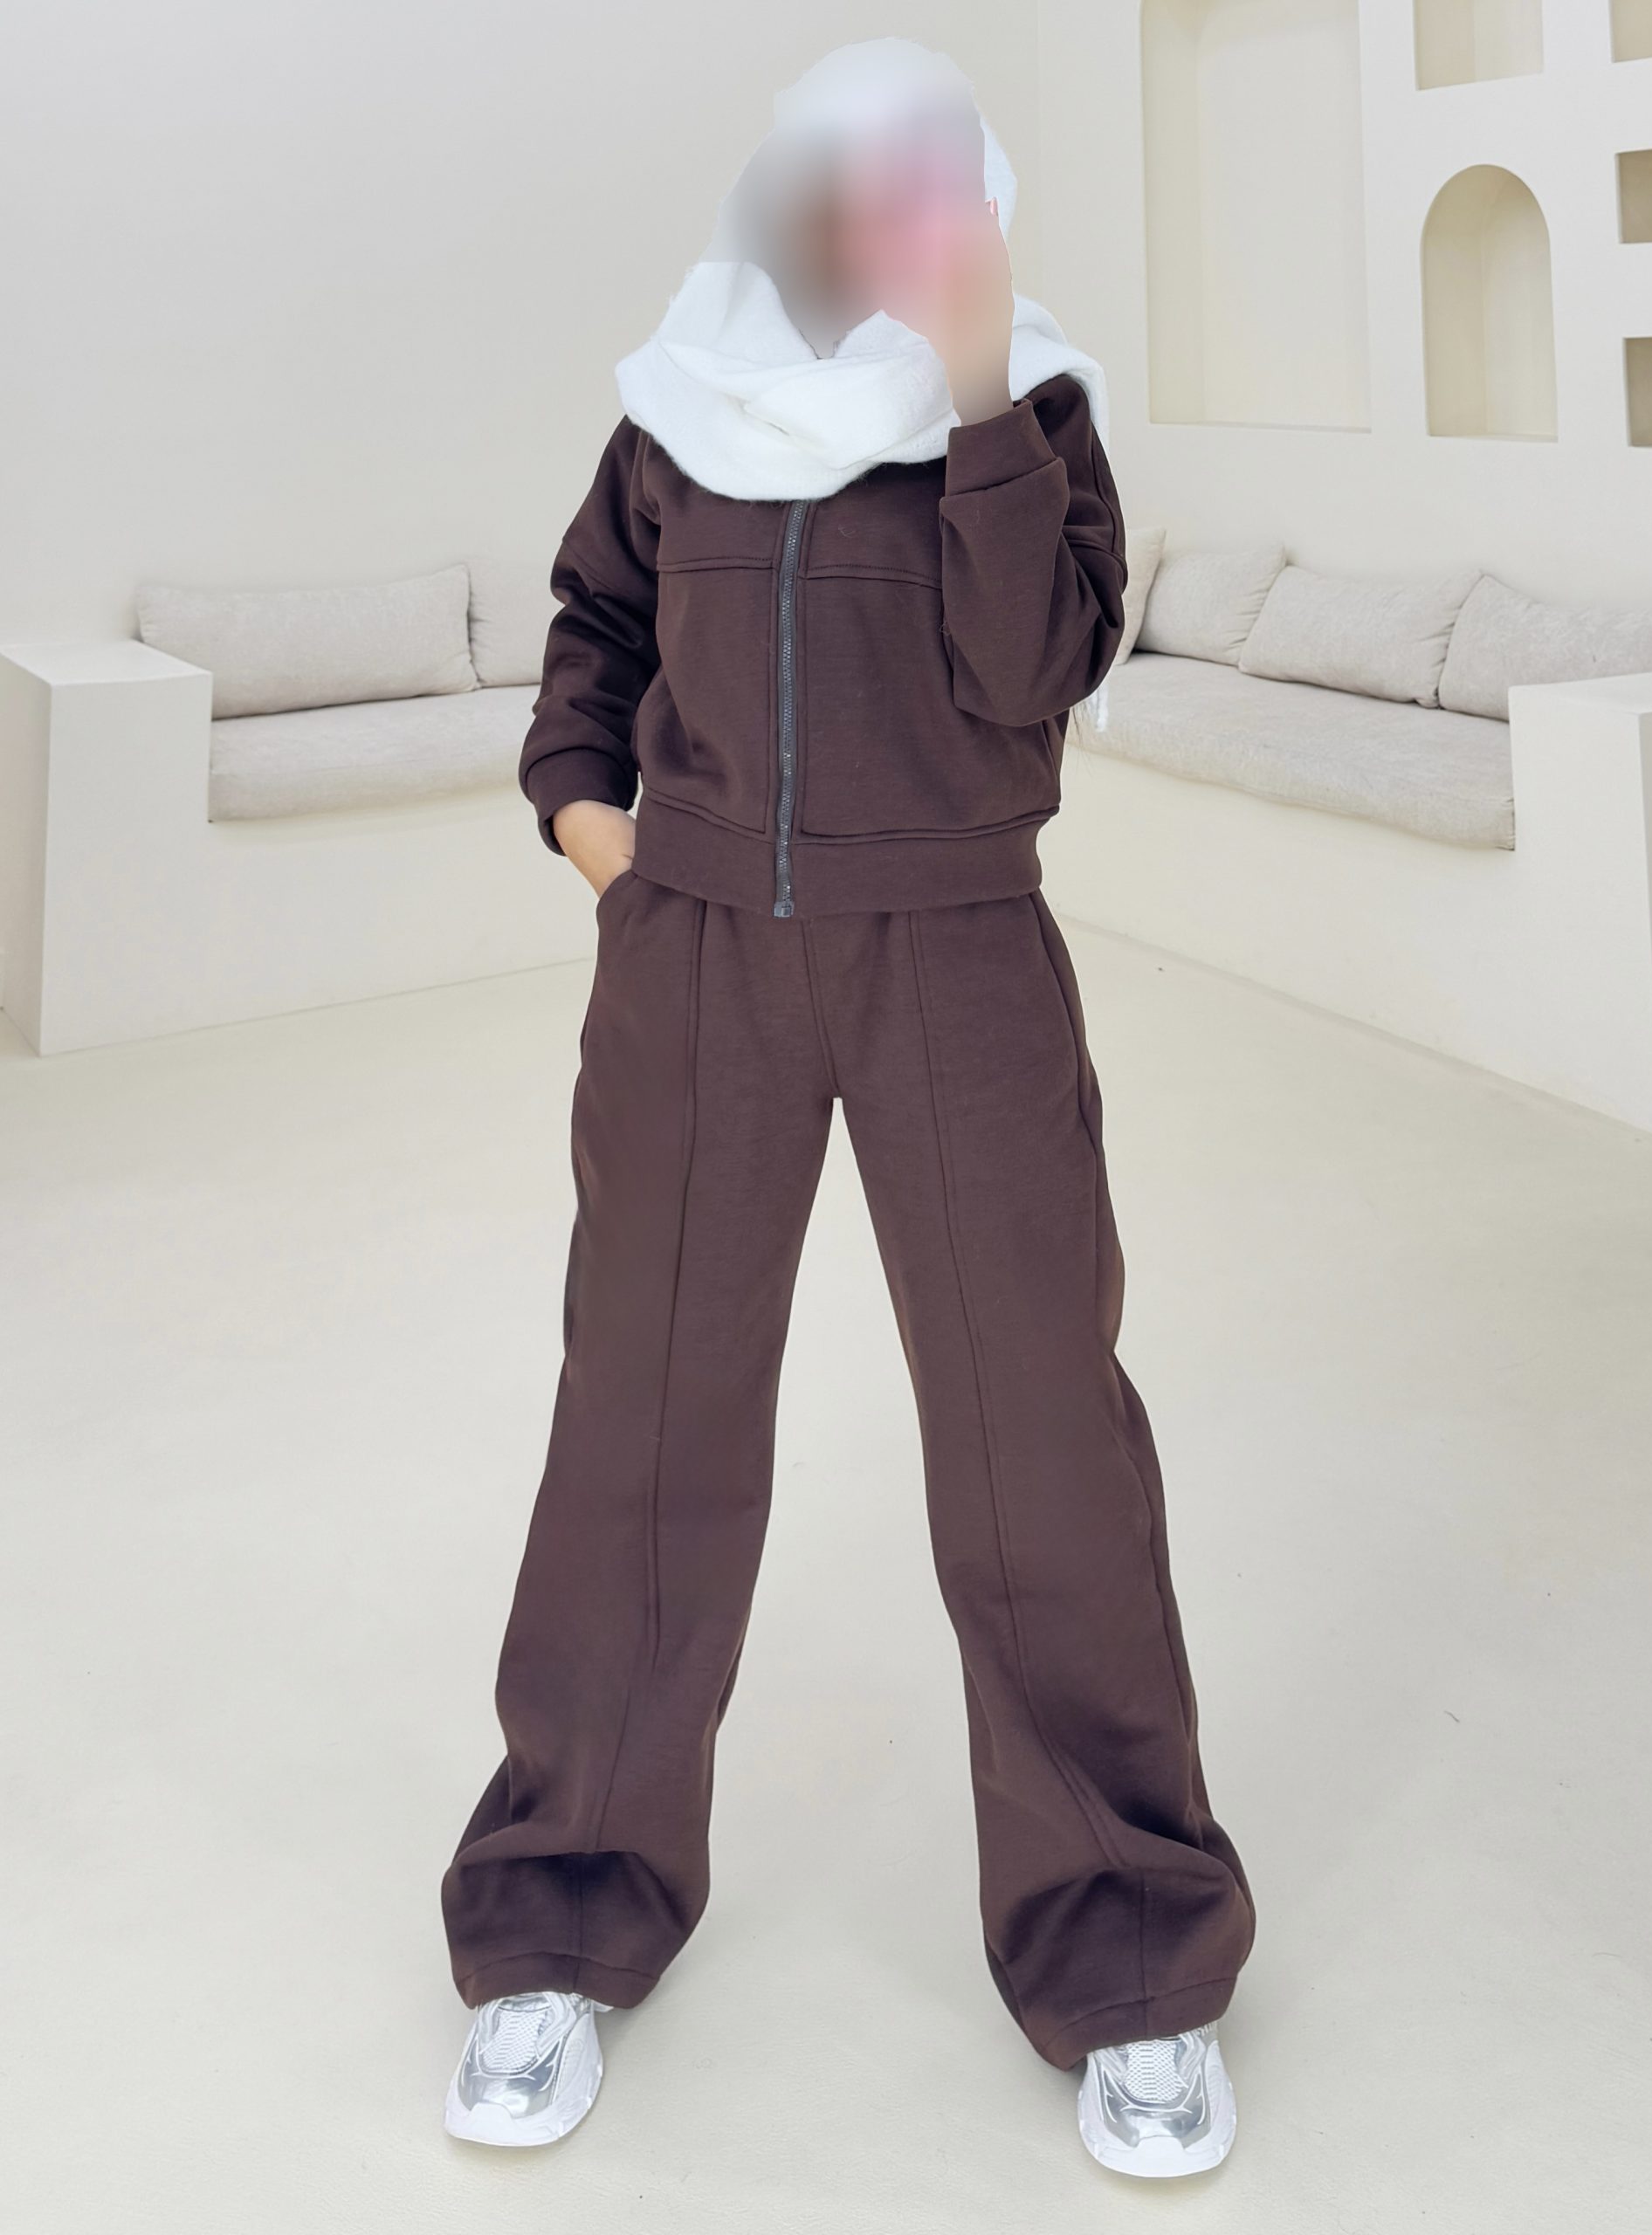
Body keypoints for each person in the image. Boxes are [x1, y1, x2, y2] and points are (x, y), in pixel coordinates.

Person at [439, 38, 1256, 2177]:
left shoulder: (1030, 410)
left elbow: (1037, 667)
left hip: (956, 952)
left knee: (1035, 1438)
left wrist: (973, 388)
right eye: (836, 183)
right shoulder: (675, 406)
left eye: (914, 188)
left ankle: (1130, 1952)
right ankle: (558, 1911)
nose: (866, 222)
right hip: (697, 951)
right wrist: (601, 838)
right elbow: (593, 634)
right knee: (642, 1426)